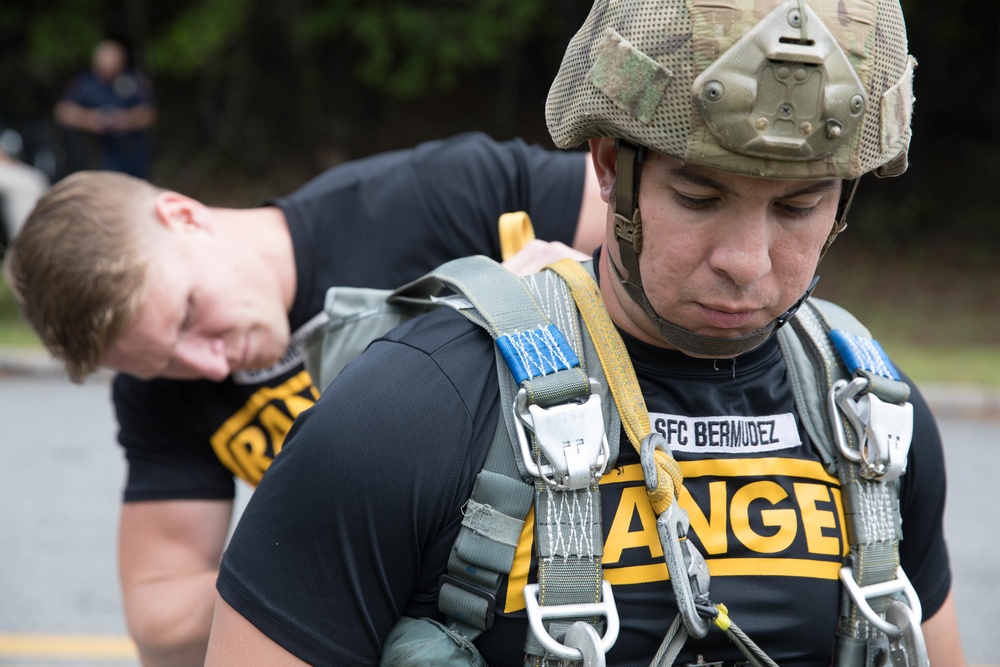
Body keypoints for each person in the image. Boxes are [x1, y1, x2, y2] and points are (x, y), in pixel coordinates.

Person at [204, 0, 966, 665]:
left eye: (800, 207)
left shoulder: (873, 424)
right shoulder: (410, 413)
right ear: (607, 166)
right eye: (699, 196)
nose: (747, 261)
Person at [4, 131, 605, 667]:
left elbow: (658, 224)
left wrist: (567, 279)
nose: (210, 364)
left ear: (183, 216)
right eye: (164, 364)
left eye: (190, 315)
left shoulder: (438, 194)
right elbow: (158, 625)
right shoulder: (158, 396)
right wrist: (325, 560)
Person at [54, 39, 156, 178]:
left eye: (114, 63)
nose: (110, 68)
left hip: (133, 152)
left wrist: (127, 119)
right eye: (106, 64)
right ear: (95, 64)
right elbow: (62, 112)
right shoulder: (84, 84)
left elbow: (149, 113)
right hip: (96, 154)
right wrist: (90, 119)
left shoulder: (134, 81)